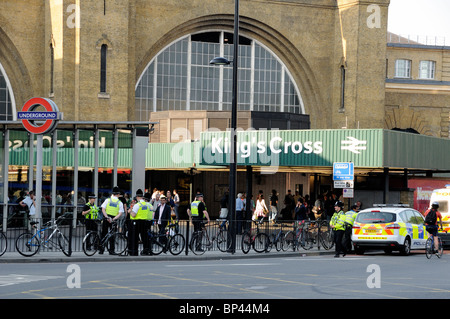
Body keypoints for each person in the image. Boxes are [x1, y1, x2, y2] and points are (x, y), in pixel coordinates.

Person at [100, 186, 124, 254]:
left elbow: (103, 209)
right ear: (118, 194)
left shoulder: (108, 200)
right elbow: (120, 213)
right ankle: (111, 250)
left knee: (103, 233)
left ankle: (101, 249)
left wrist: (107, 217)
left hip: (106, 218)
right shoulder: (120, 202)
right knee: (112, 235)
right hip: (114, 219)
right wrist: (114, 218)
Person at [129, 189, 152, 256]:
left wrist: (130, 211)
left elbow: (133, 215)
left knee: (135, 238)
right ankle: (146, 250)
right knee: (144, 237)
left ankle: (134, 251)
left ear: (137, 196)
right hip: (144, 222)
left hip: (137, 222)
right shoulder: (147, 204)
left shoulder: (137, 205)